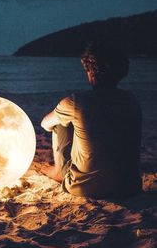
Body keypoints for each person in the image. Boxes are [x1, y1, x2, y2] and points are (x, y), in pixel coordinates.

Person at [41, 43, 142, 199]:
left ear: (90, 72)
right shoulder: (132, 100)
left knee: (60, 123)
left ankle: (59, 172)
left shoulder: (76, 101)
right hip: (129, 187)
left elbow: (45, 124)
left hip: (86, 188)